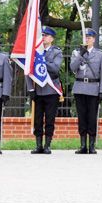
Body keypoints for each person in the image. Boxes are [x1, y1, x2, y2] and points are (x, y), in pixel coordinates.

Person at [70, 28, 102, 154]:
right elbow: (72, 68)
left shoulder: (100, 54)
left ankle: (92, 145)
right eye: (85, 37)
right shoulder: (77, 52)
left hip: (93, 88)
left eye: (89, 37)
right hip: (80, 87)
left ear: (94, 39)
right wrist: (81, 54)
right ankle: (83, 145)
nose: (87, 39)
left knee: (92, 117)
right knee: (81, 118)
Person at [28, 26, 63, 154]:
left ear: (52, 38)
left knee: (49, 118)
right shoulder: (35, 52)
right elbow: (28, 70)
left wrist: (42, 60)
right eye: (42, 35)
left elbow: (55, 68)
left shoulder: (56, 52)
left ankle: (47, 145)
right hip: (38, 89)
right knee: (37, 119)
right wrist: (31, 89)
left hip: (51, 90)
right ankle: (38, 145)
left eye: (46, 35)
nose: (43, 38)